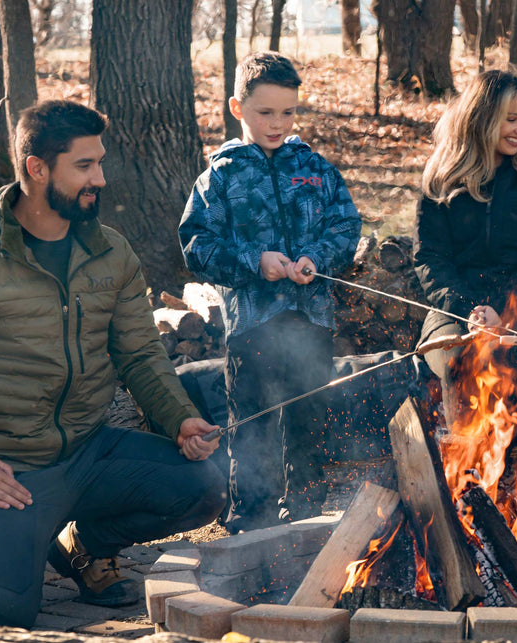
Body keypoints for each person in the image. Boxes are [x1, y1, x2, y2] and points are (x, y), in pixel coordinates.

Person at [0, 100, 225, 628]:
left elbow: (139, 352)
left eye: (100, 163)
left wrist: (179, 418)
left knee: (205, 486)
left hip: (89, 450)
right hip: (9, 466)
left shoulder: (110, 253)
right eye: (84, 166)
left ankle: (82, 546)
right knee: (0, 611)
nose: (100, 179)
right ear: (37, 168)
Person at [179, 51, 360, 534]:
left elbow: (346, 226)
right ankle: (251, 518)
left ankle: (306, 514)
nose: (278, 123)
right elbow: (196, 245)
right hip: (252, 325)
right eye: (265, 112)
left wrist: (316, 256)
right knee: (252, 420)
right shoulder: (221, 176)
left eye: (288, 112)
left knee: (310, 415)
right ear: (237, 108)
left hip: (311, 321)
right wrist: (254, 261)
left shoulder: (315, 169)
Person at [413, 69, 517, 427]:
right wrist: (469, 310)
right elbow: (430, 257)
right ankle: (464, 455)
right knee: (459, 360)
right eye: (512, 119)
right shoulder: (441, 175)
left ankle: (514, 455)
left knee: (512, 357)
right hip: (454, 310)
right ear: (481, 117)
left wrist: (503, 309)